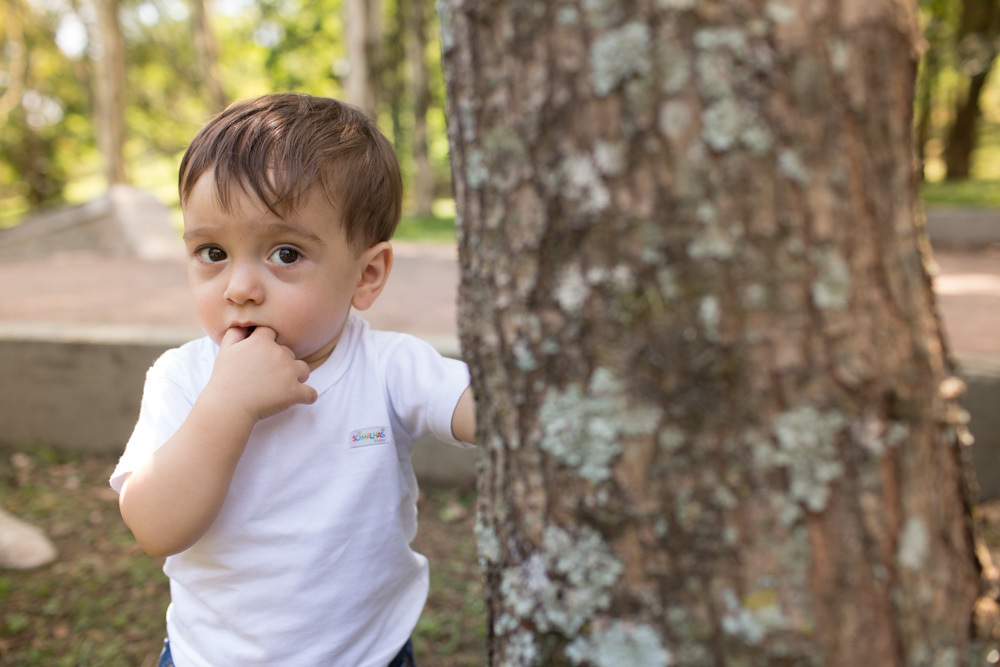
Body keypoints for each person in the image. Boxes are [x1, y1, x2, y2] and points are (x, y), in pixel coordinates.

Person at [110, 93, 476, 666]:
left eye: (284, 253)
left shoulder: (388, 367)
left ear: (367, 274)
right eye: (212, 251)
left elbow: (489, 411)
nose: (239, 287)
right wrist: (226, 405)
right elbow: (155, 527)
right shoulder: (183, 378)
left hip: (370, 655)